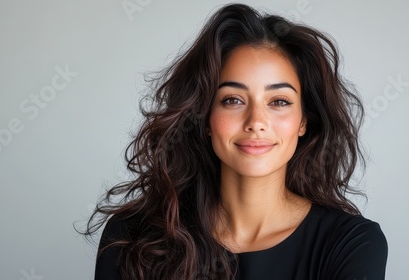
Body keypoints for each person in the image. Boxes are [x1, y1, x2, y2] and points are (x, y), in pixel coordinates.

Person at [83, 3, 388, 280]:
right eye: (232, 100)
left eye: (279, 101)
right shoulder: (133, 237)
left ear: (303, 121)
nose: (256, 121)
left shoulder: (352, 244)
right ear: (204, 118)